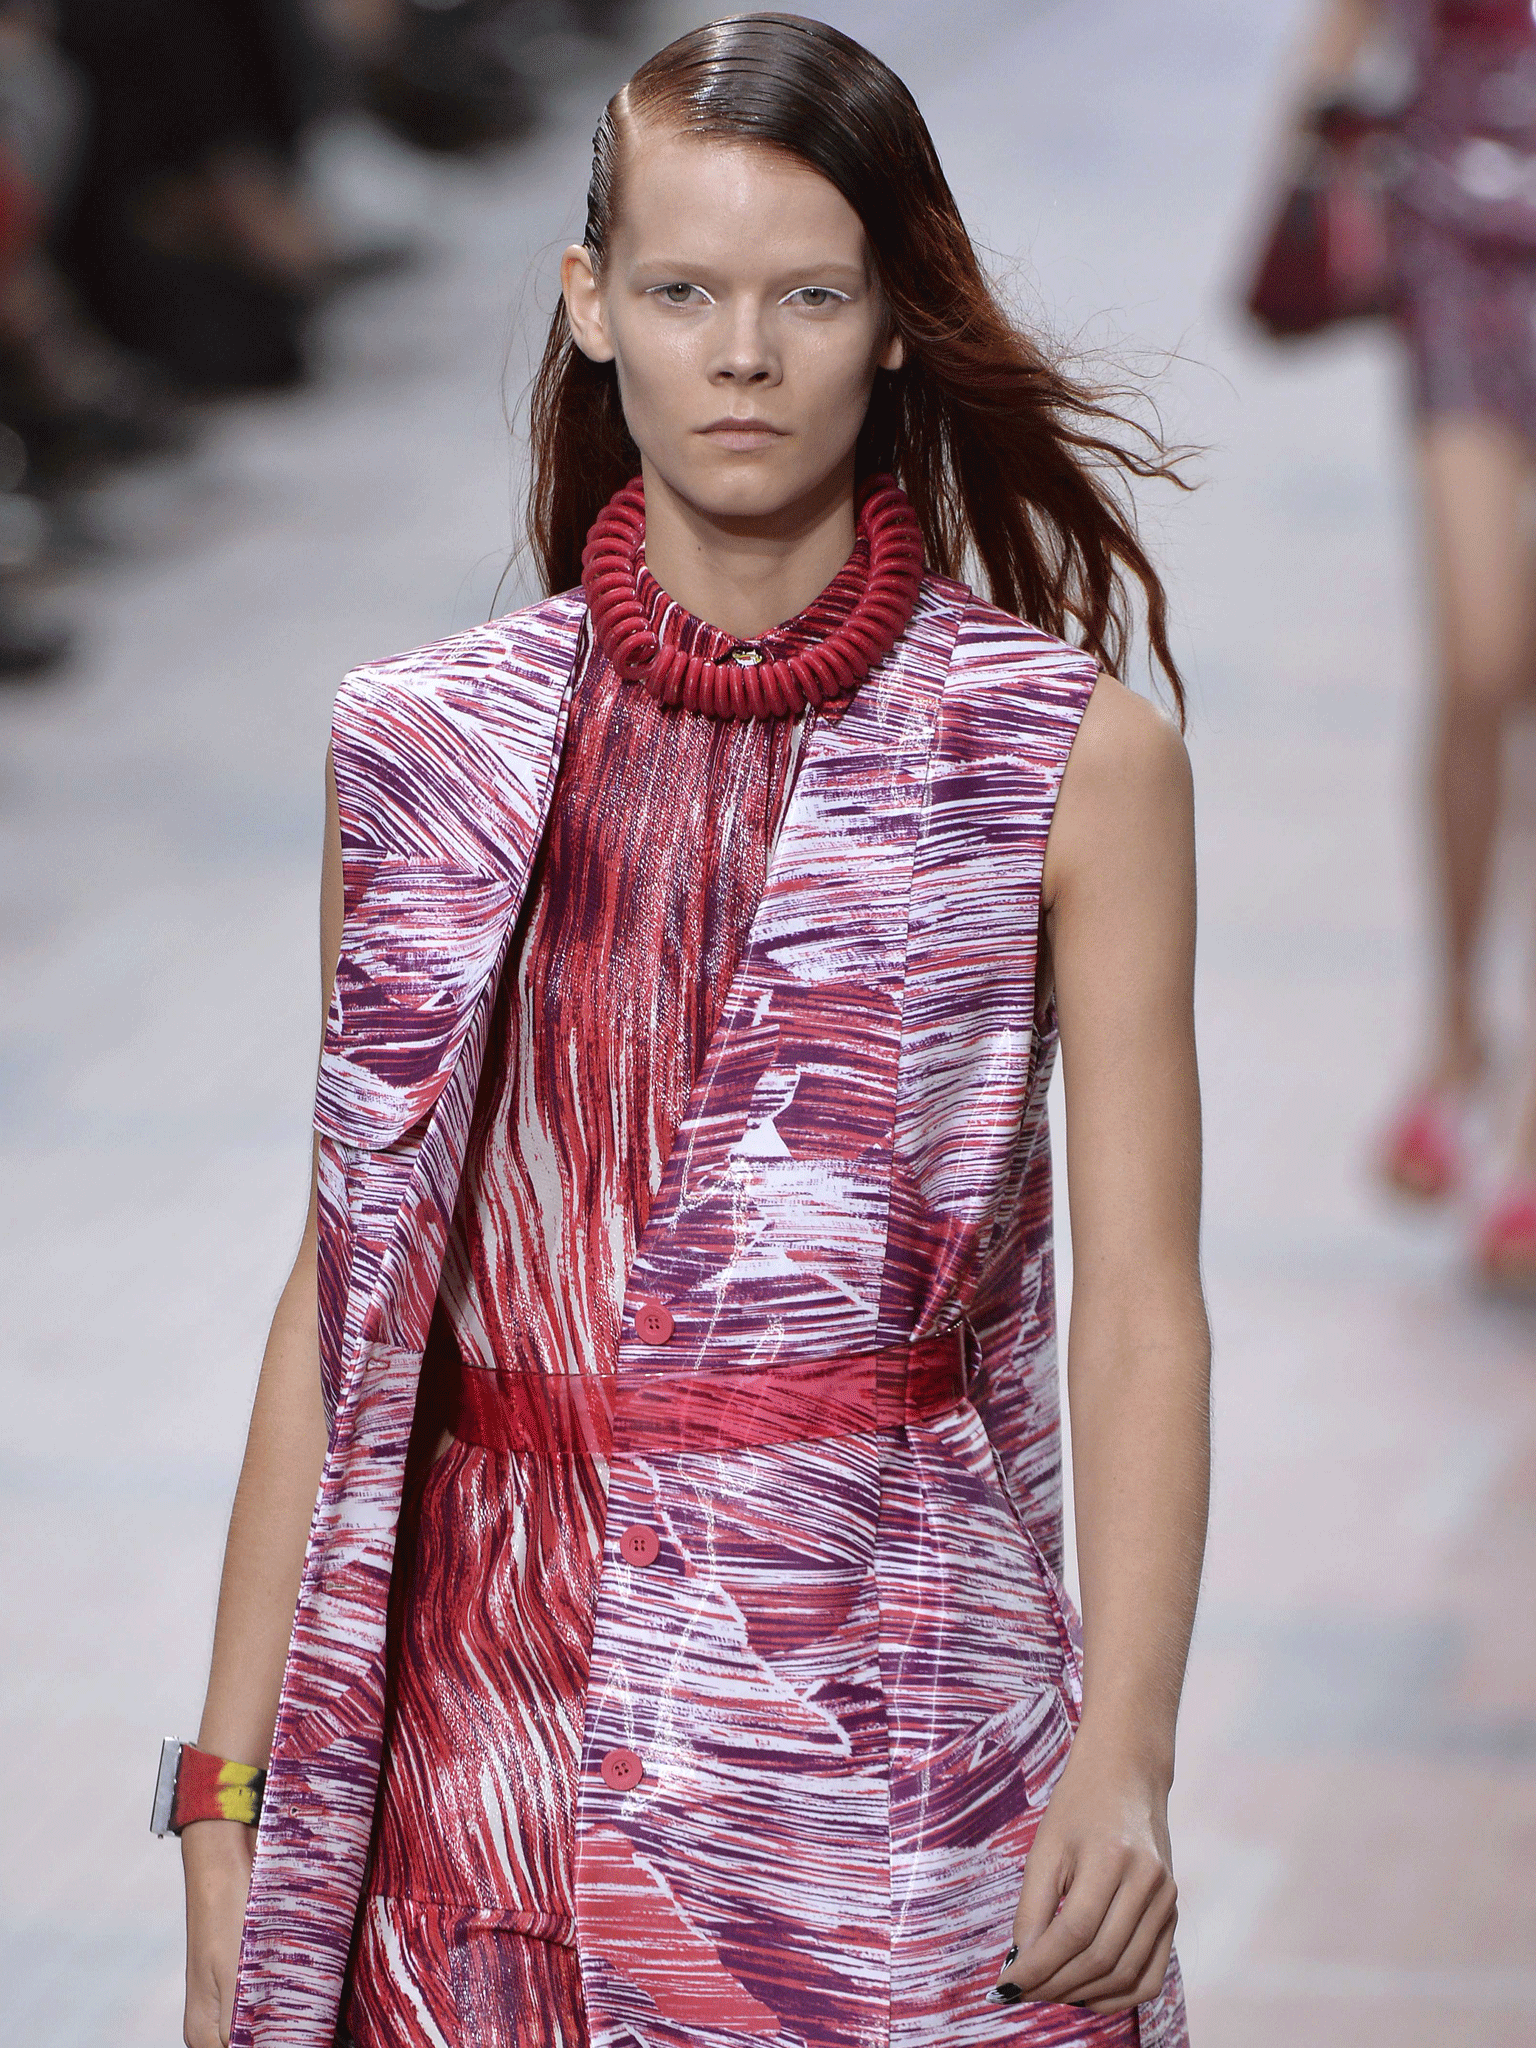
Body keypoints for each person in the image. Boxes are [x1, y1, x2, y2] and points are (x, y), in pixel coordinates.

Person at [168, 16, 1210, 2047]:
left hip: (883, 1713)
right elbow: (347, 1290)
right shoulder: (423, 747)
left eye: (809, 295)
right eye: (681, 291)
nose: (743, 355)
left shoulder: (1066, 761)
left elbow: (1143, 1307)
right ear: (589, 304)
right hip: (472, 1729)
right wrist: (229, 1792)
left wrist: (1130, 1753)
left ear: (894, 320)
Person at [1295, 0, 1536, 1286]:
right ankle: (1453, 1030)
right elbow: (1344, 29)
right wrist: (1322, 144)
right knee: (1483, 655)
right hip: (1459, 237)